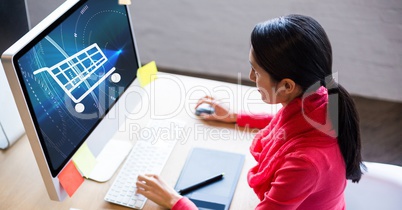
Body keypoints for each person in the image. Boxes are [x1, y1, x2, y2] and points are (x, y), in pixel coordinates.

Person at [135, 14, 364, 209]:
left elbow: (298, 144)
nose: (251, 77)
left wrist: (176, 200)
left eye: (255, 70)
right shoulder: (319, 99)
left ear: (287, 86)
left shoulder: (305, 164)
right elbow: (286, 123)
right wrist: (235, 116)